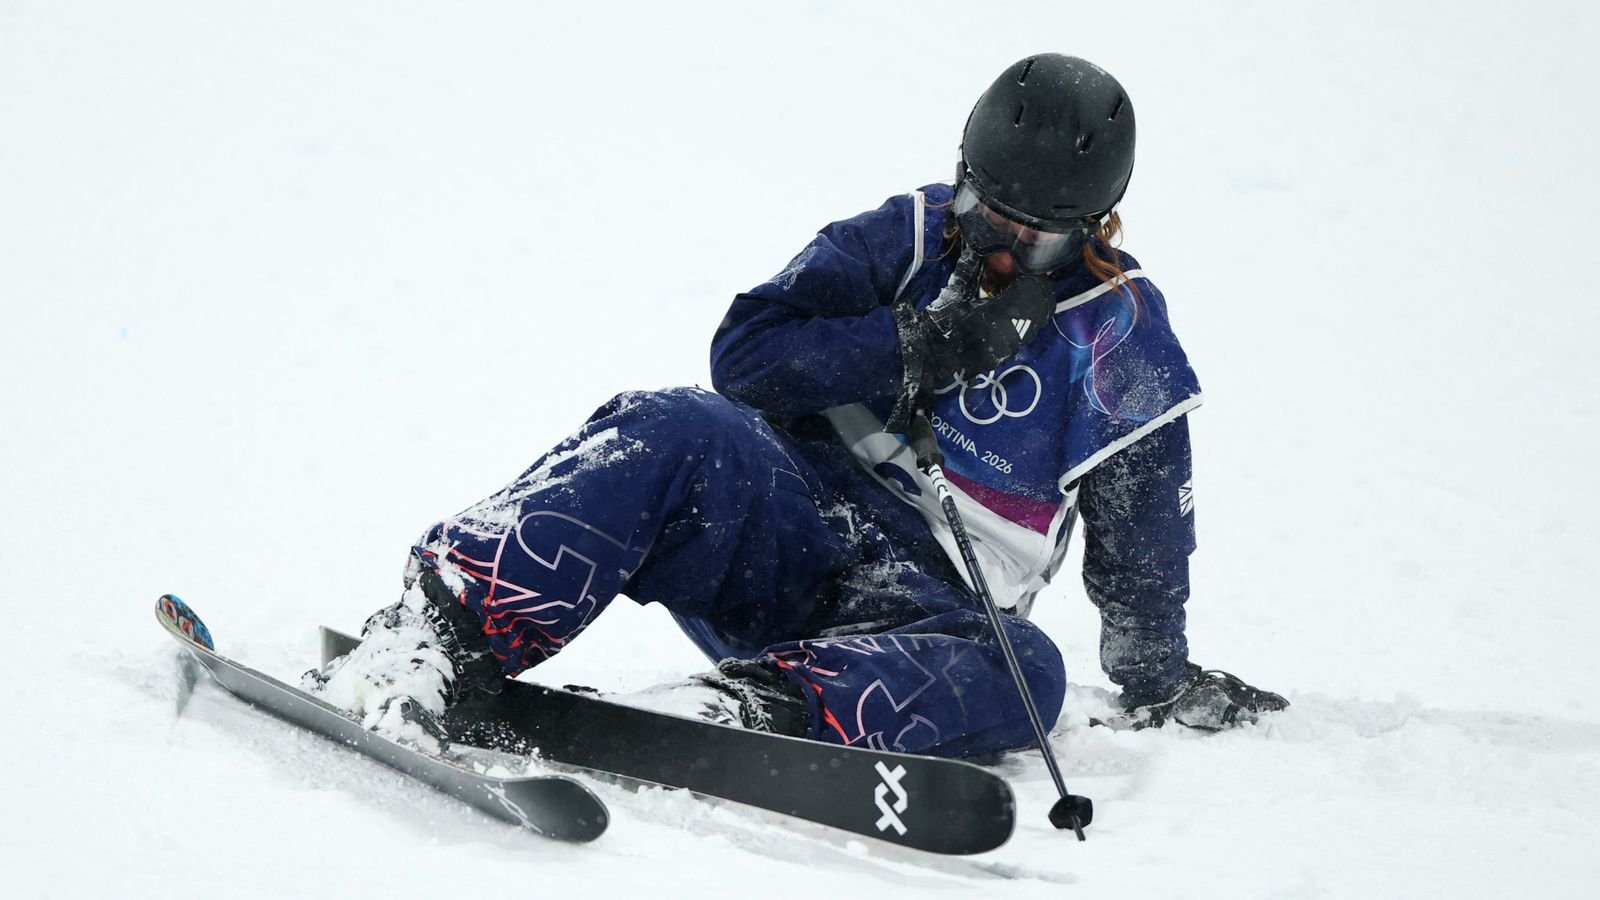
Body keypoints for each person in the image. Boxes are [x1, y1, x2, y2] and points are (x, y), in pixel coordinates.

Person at [305, 53, 1287, 757]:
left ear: (1098, 225)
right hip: (790, 525)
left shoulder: (1121, 338)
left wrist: (1159, 676)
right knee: (676, 421)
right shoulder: (907, 236)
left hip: (925, 608)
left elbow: (1144, 542)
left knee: (1030, 672)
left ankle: (754, 711)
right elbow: (744, 359)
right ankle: (436, 638)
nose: (1003, 247)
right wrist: (908, 345)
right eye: (988, 214)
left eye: (1039, 238)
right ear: (963, 176)